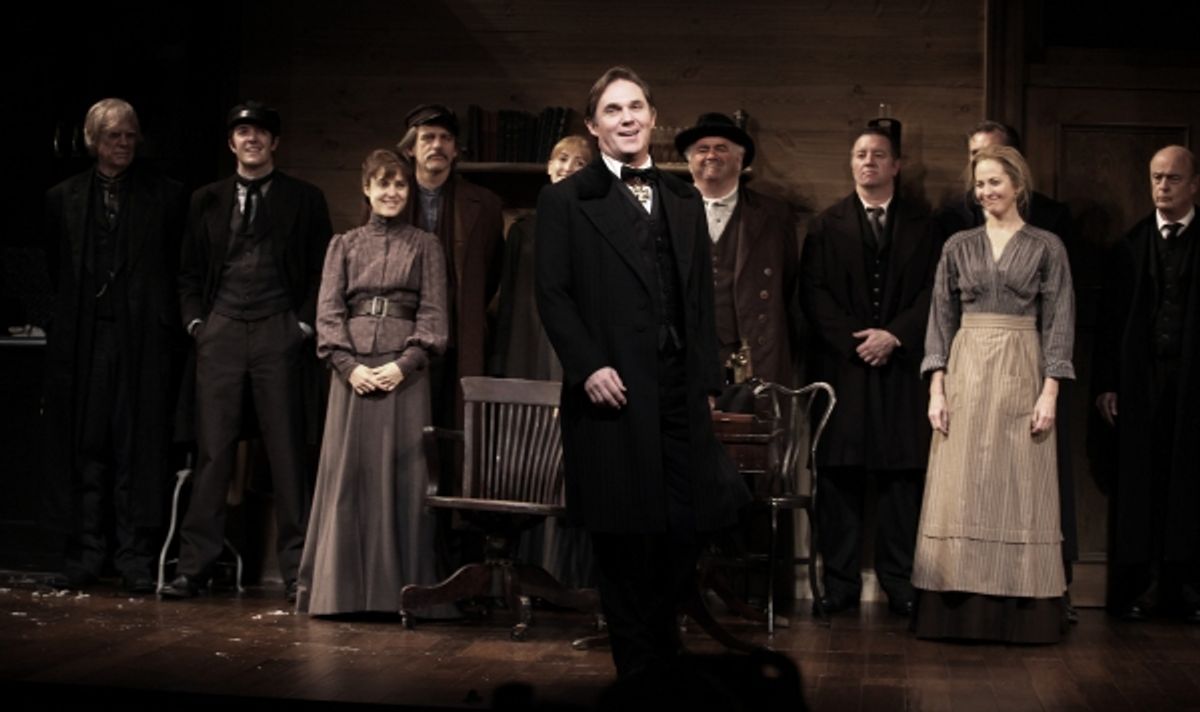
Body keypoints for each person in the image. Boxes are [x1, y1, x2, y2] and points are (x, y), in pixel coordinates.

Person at [535, 66, 750, 677]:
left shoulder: (684, 199)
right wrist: (588, 366)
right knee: (624, 532)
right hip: (612, 389)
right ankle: (639, 667)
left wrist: (707, 384)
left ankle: (662, 645)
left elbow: (701, 302)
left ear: (653, 117)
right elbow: (553, 295)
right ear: (593, 125)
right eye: (612, 110)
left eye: (636, 107)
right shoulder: (566, 201)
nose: (626, 119)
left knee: (687, 524)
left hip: (679, 389)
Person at [163, 101, 333, 600]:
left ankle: (298, 570)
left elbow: (323, 269)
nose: (251, 139)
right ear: (231, 143)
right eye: (242, 131)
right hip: (221, 332)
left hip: (278, 330)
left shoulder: (305, 198)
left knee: (284, 451)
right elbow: (188, 273)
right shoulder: (206, 199)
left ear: (274, 142)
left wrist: (301, 324)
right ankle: (194, 567)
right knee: (213, 452)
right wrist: (198, 323)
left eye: (260, 132)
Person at [913, 143, 1075, 643]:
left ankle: (1022, 612)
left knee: (1020, 485)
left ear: (1018, 186)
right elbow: (940, 318)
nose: (986, 192)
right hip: (967, 368)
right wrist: (936, 387)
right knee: (961, 486)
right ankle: (954, 608)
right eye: (980, 184)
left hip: (1022, 367)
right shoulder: (958, 246)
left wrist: (1050, 391)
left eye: (995, 183)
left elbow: (1060, 321)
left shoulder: (1046, 246)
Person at [295, 150, 448, 616]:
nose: (391, 193)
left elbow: (435, 314)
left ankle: (403, 594)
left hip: (404, 374)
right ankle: (338, 594)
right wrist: (347, 366)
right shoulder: (343, 244)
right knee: (349, 478)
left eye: (400, 185)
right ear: (366, 189)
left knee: (403, 476)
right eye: (382, 184)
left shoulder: (425, 245)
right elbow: (328, 313)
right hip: (354, 372)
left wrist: (407, 363)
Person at [43, 98, 185, 593]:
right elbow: (54, 272)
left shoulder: (166, 197)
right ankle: (85, 552)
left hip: (142, 339)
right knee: (87, 446)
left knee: (138, 445)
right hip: (86, 337)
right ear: (92, 142)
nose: (123, 144)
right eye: (113, 137)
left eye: (129, 135)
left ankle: (134, 555)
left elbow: (174, 270)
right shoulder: (64, 198)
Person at [799, 127, 939, 617]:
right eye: (860, 154)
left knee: (903, 477)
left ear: (896, 165)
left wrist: (895, 335)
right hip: (845, 368)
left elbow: (935, 293)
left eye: (879, 155)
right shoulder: (825, 224)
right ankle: (840, 583)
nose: (869, 162)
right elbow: (813, 295)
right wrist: (857, 342)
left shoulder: (926, 225)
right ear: (851, 164)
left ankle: (899, 581)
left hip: (902, 367)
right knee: (839, 477)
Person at [1093, 145, 1200, 622]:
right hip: (1143, 380)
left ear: (1194, 184)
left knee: (1191, 482)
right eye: (1156, 177)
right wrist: (1108, 384)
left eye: (1173, 178)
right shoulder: (1131, 246)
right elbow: (1109, 325)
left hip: (1194, 380)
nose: (1162, 186)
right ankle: (1139, 588)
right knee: (1140, 483)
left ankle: (1190, 590)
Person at [397, 104, 504, 429]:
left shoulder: (484, 204)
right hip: (402, 331)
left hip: (460, 327)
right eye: (427, 137)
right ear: (410, 148)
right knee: (405, 423)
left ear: (456, 150)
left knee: (456, 422)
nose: (437, 145)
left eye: (446, 138)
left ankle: (454, 482)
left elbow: (492, 268)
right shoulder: (391, 196)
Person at [675, 112, 799, 388]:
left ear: (740, 160)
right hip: (685, 354)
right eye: (702, 149)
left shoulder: (774, 216)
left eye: (722, 148)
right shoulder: (668, 212)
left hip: (751, 353)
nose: (711, 155)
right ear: (689, 159)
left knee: (749, 429)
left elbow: (788, 284)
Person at [492, 135, 593, 382]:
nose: (568, 167)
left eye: (579, 163)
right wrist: (499, 358)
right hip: (525, 336)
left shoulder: (597, 230)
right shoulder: (522, 230)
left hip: (574, 336)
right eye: (562, 158)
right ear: (549, 166)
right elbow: (507, 300)